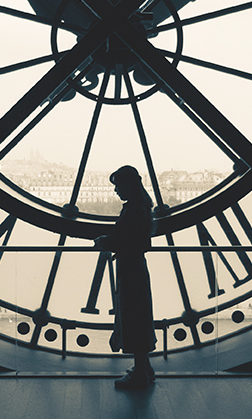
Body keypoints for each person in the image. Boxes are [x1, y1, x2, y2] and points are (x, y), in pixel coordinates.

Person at [94, 165, 157, 389]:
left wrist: (106, 242)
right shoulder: (140, 208)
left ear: (129, 185)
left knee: (131, 317)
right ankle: (143, 368)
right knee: (139, 317)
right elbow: (138, 241)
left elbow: (126, 240)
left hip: (129, 269)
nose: (116, 190)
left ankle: (141, 372)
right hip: (135, 268)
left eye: (118, 185)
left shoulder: (132, 210)